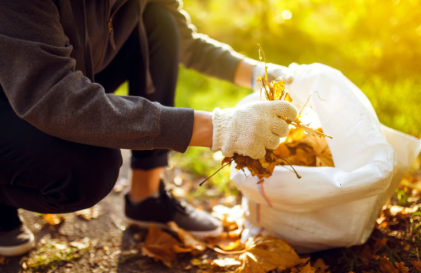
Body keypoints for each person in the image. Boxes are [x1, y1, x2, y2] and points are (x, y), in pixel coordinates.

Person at [0, 0, 296, 256]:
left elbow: (183, 40)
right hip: (21, 91)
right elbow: (53, 96)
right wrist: (217, 129)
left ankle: (147, 196)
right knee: (85, 170)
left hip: (54, 77)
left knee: (159, 21)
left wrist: (265, 75)